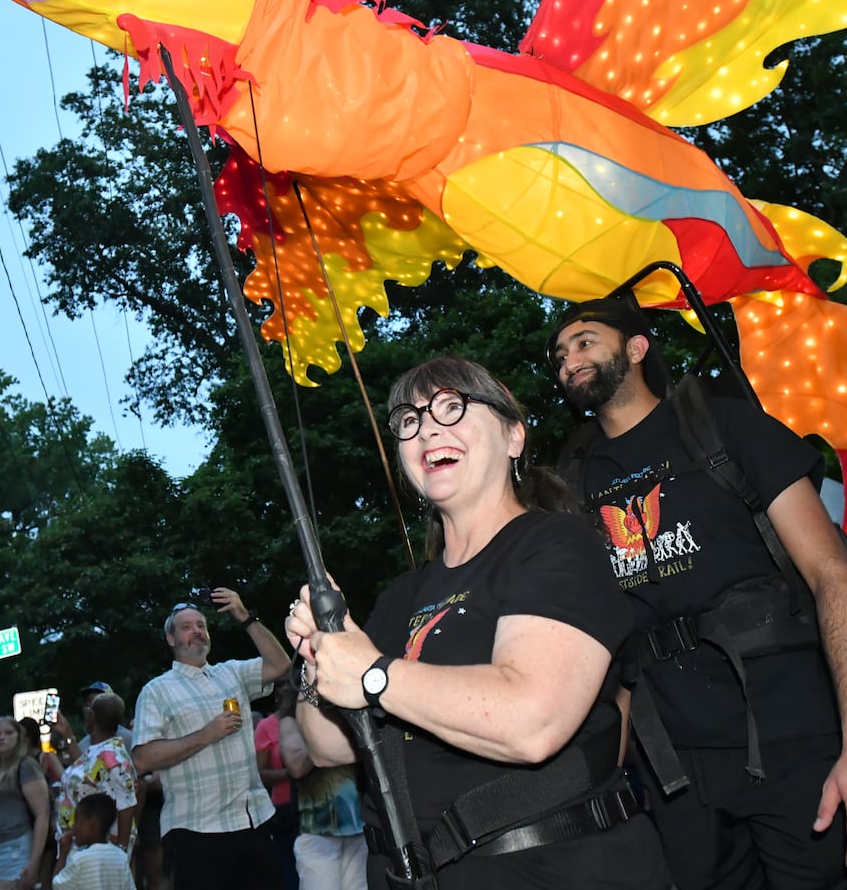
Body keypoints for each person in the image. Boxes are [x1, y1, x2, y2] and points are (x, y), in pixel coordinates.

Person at [547, 299, 847, 888]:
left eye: (584, 341)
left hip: (793, 734)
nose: (568, 361)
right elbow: (609, 647)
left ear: (637, 349)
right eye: (559, 356)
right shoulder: (575, 479)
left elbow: (832, 577)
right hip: (676, 771)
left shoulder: (725, 426)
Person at [286, 356, 670, 890]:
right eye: (409, 421)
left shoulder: (556, 546)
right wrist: (317, 656)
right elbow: (327, 746)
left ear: (514, 436)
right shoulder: (401, 596)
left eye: (452, 407)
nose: (428, 429)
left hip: (549, 868)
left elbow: (532, 721)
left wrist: (373, 674)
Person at [131, 588, 292, 890]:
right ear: (171, 639)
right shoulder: (157, 690)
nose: (197, 631)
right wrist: (206, 735)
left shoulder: (231, 673)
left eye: (201, 625)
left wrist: (244, 615)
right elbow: (141, 758)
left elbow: (280, 665)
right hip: (196, 831)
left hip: (252, 821)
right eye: (186, 627)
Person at [278, 712, 367, 890]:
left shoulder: (350, 712)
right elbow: (296, 766)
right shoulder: (292, 720)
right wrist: (327, 738)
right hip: (318, 830)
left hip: (359, 825)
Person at [56, 692, 138, 868]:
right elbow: (86, 771)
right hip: (84, 846)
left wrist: (122, 853)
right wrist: (67, 734)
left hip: (104, 851)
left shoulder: (114, 757)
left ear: (92, 716)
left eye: (88, 709)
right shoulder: (100, 750)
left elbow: (127, 805)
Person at [0, 715, 50, 889]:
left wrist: (34, 862)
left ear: (19, 737)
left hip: (11, 848)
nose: (2, 737)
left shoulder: (26, 765)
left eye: (8, 733)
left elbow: (42, 813)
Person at [256, 681, 299, 890]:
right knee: (289, 871)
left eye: (290, 683)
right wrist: (291, 773)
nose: (287, 688)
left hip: (314, 809)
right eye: (281, 684)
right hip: (284, 811)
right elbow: (259, 774)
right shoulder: (266, 727)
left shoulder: (308, 718)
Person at [53, 793, 136, 890]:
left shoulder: (80, 860)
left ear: (93, 825)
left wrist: (63, 855)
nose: (73, 826)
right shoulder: (121, 857)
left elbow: (57, 885)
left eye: (77, 821)